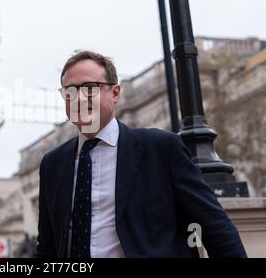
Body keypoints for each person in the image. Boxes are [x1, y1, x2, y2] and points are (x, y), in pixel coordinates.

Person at [35, 50, 247, 258]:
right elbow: (47, 247)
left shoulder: (161, 148)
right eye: (69, 91)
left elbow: (215, 227)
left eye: (90, 88)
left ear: (115, 93)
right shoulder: (53, 164)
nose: (79, 98)